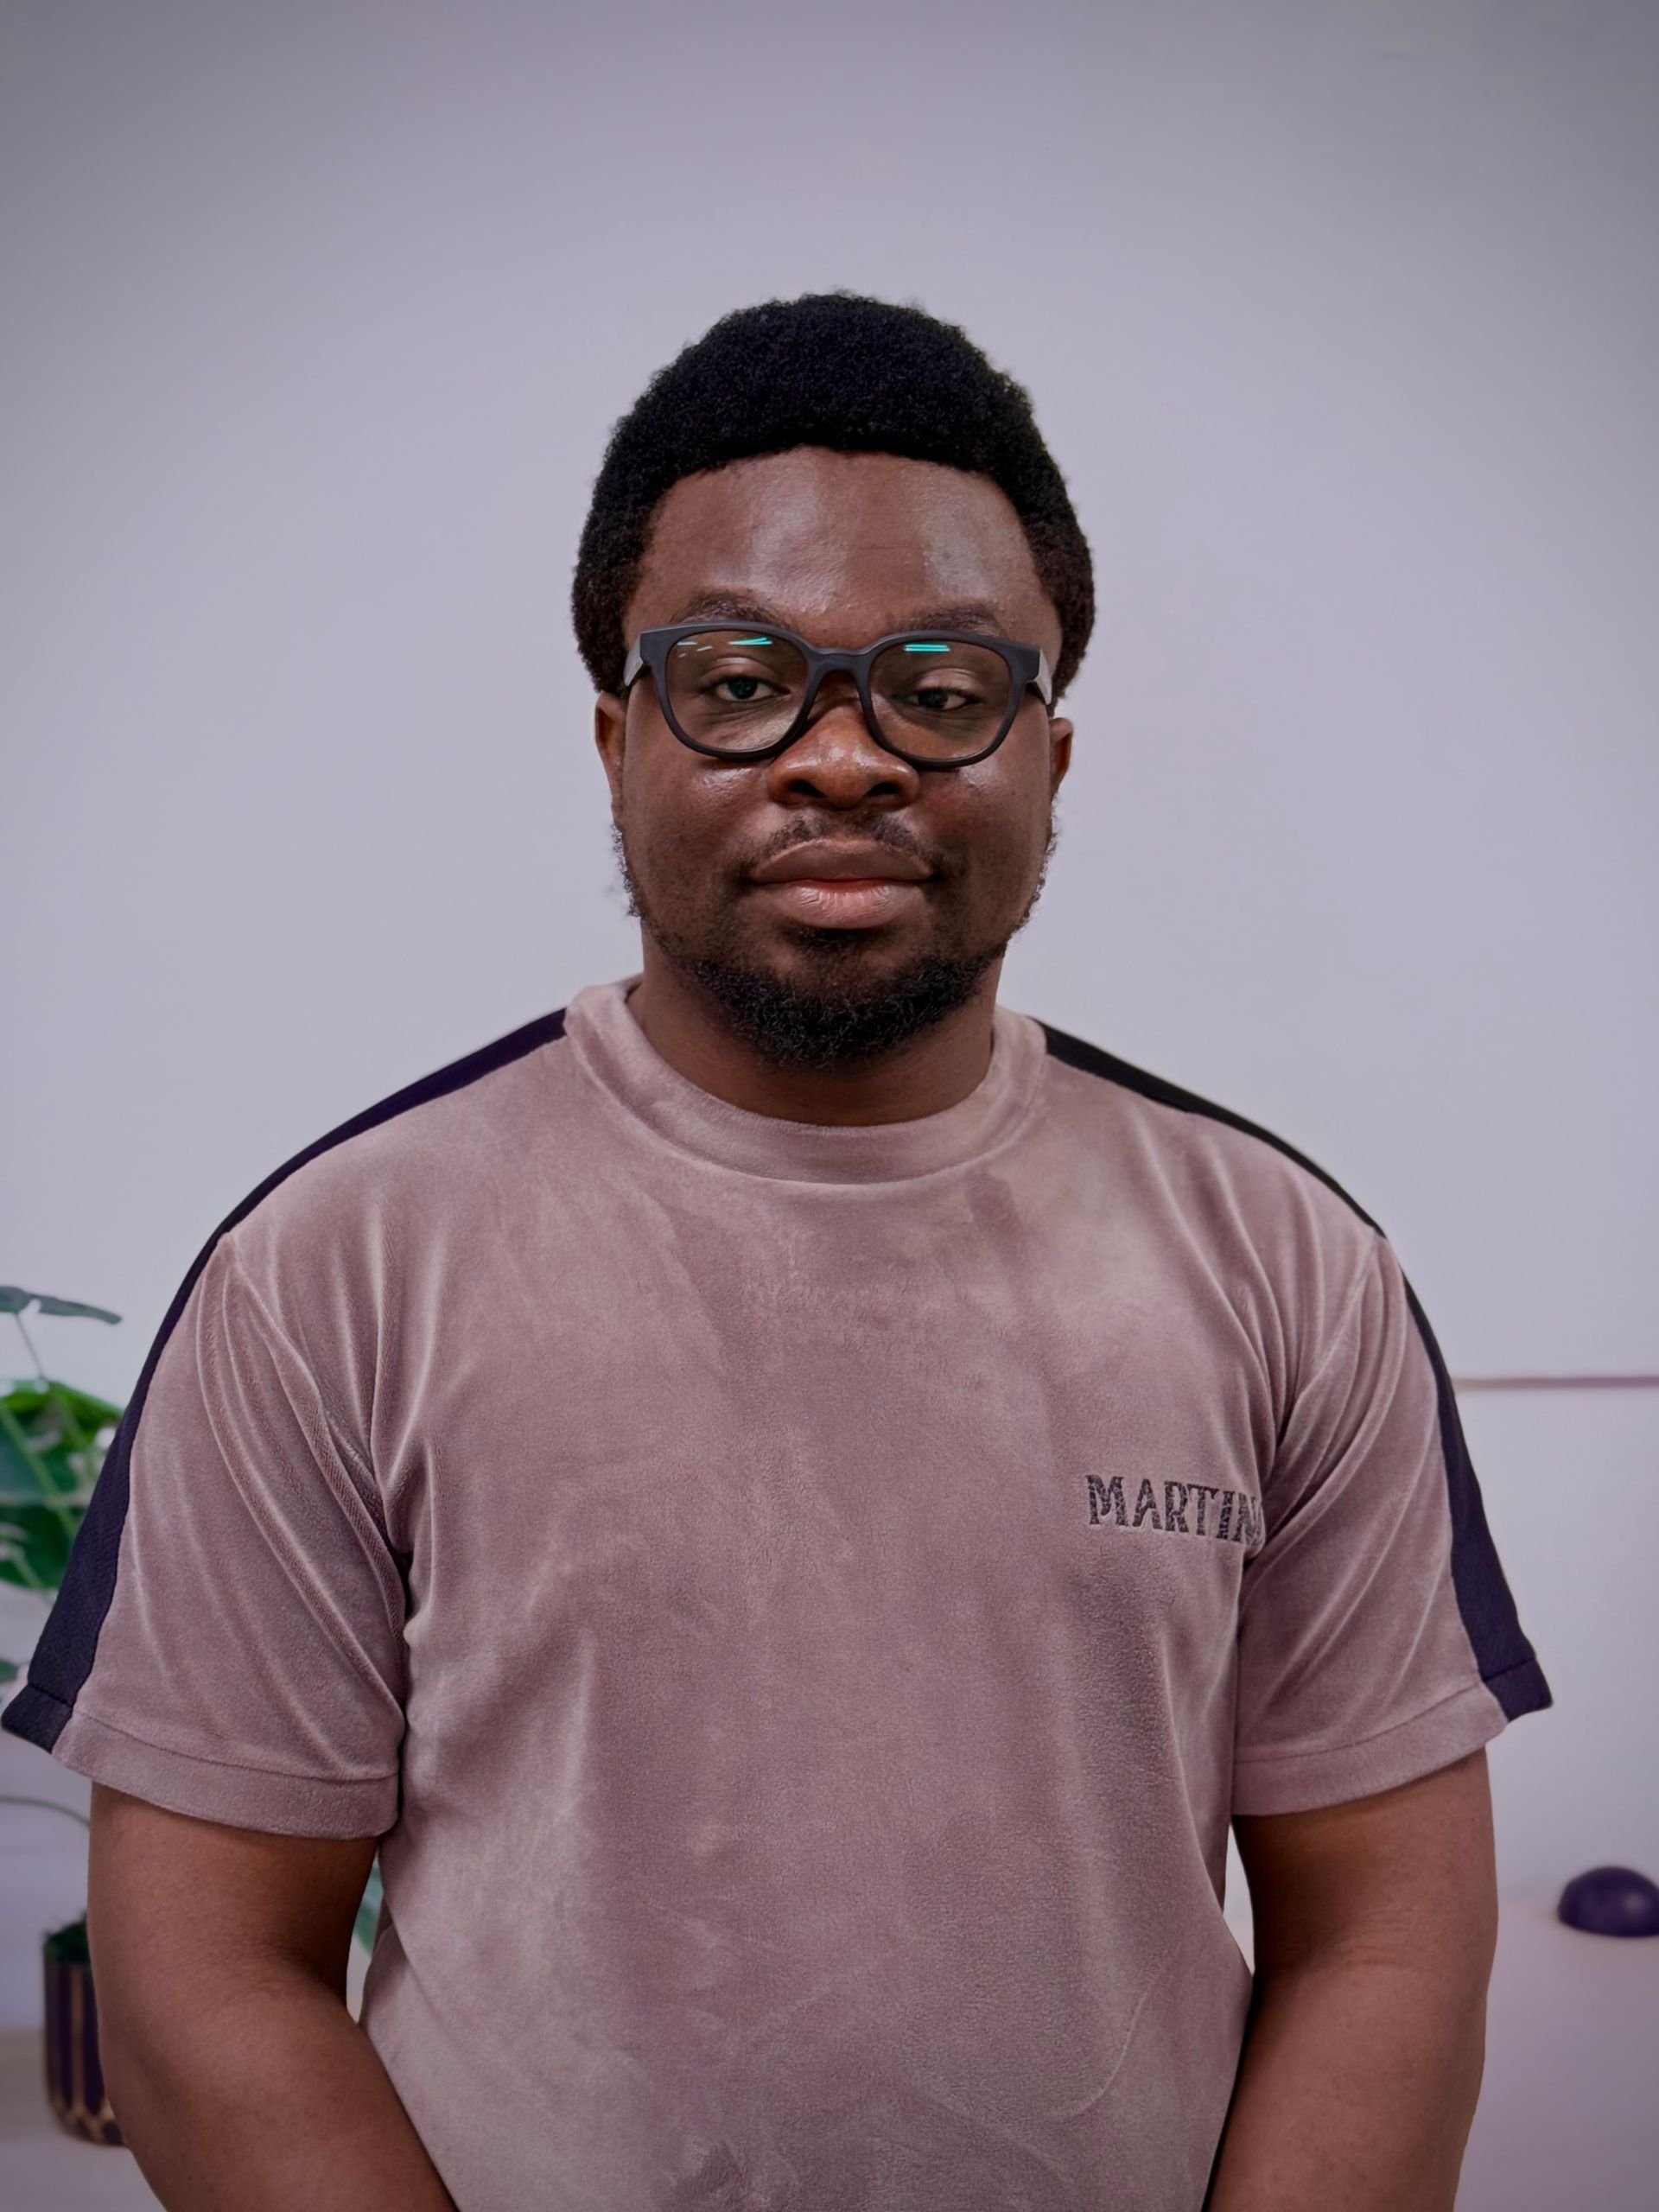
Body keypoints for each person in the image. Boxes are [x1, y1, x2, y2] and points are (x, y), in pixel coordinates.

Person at [4, 292, 1551, 2212]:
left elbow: (1388, 1938)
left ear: (1051, 755)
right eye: (740, 677)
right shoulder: (332, 1269)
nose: (842, 757)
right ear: (614, 737)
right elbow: (208, 1968)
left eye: (943, 683)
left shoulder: (1286, 1266)